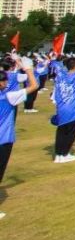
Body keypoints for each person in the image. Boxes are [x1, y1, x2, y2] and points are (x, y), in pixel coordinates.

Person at [0, 56, 38, 220]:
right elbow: (34, 85)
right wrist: (28, 67)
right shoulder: (7, 97)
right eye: (4, 81)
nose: (6, 83)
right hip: (3, 139)